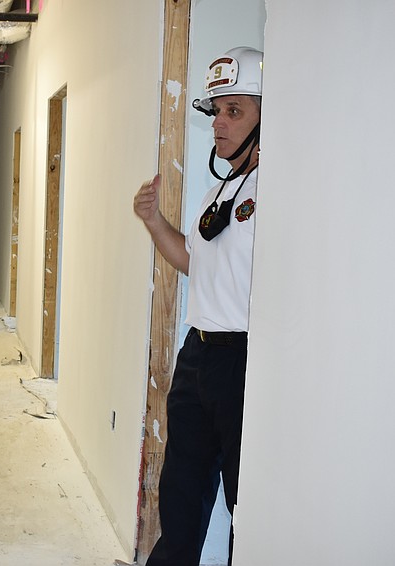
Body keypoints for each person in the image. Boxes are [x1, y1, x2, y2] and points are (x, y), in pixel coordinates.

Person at [133, 46, 264, 566]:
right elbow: (195, 261)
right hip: (198, 354)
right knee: (183, 487)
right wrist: (153, 221)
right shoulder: (220, 189)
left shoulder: (280, 189)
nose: (220, 125)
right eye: (218, 112)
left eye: (235, 111)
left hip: (244, 360)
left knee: (244, 498)